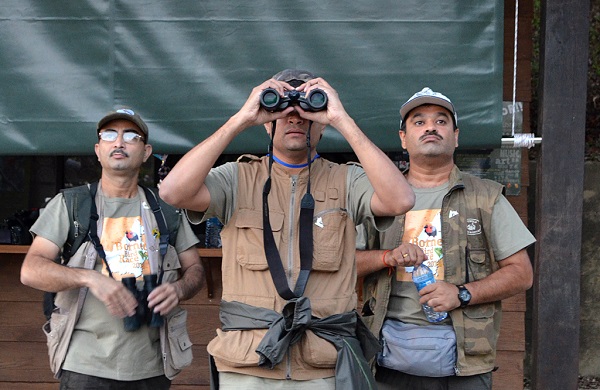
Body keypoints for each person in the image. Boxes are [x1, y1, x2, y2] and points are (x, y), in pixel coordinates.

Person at [159, 69, 415, 389]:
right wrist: (241, 118)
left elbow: (400, 200)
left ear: (321, 121)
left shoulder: (346, 181)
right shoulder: (238, 178)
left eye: (308, 112)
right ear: (268, 122)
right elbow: (172, 193)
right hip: (247, 366)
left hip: (322, 367)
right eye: (283, 112)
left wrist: (341, 119)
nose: (295, 118)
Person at [356, 87, 535, 390]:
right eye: (418, 121)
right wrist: (387, 257)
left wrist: (461, 293)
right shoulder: (378, 197)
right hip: (387, 355)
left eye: (441, 122)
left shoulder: (486, 196)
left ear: (456, 136)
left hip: (464, 360)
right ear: (403, 138)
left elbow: (522, 274)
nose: (429, 127)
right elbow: (346, 263)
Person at [20, 107, 204, 389]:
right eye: (109, 135)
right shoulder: (71, 204)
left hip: (153, 364)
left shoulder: (166, 209)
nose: (119, 142)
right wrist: (89, 278)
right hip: (84, 364)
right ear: (98, 149)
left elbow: (194, 269)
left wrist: (179, 289)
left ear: (145, 152)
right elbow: (31, 270)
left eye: (131, 136)